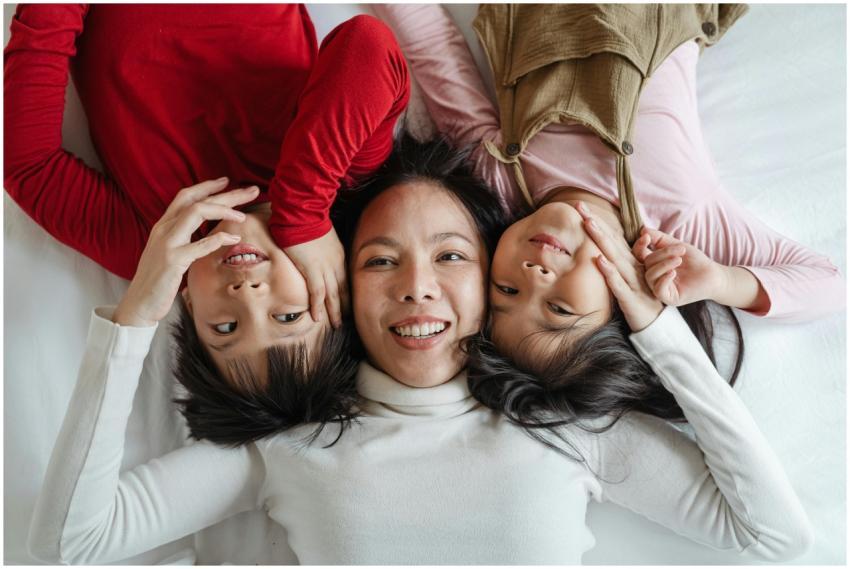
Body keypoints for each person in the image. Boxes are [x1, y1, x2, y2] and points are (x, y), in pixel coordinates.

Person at [28, 135, 812, 565]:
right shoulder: (291, 443)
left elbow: (775, 535)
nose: (416, 287)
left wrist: (654, 326)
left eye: (450, 256)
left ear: (495, 278)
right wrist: (136, 316)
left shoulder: (563, 429)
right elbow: (70, 542)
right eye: (377, 260)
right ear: (333, 291)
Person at [372, 4, 844, 428]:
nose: (534, 275)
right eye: (559, 308)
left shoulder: (498, 176)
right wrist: (720, 281)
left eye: (507, 290)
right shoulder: (680, 217)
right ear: (622, 304)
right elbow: (828, 283)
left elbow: (436, 49)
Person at [4, 5, 410, 388]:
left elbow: (27, 165)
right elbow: (368, 43)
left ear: (191, 308)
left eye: (226, 328)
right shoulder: (340, 179)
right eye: (287, 316)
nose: (246, 296)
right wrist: (303, 212)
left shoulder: (155, 247)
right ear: (335, 292)